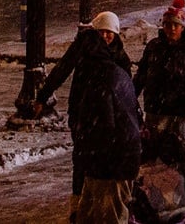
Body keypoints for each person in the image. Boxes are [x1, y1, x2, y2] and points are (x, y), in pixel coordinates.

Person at [47, 12, 145, 224]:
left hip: (106, 118)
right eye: (102, 31)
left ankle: (88, 207)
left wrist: (129, 115)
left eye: (110, 33)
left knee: (95, 164)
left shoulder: (118, 57)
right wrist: (44, 94)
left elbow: (126, 89)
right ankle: (78, 205)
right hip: (86, 113)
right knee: (83, 161)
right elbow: (62, 70)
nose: (106, 36)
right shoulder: (85, 50)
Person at [134, 0, 185, 199]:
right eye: (167, 24)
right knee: (154, 150)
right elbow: (142, 74)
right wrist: (132, 95)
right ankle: (158, 188)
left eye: (175, 25)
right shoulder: (154, 47)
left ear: (182, 26)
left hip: (179, 110)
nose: (171, 28)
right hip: (155, 108)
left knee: (179, 149)